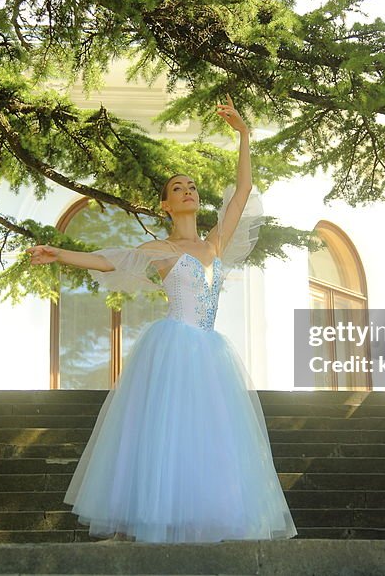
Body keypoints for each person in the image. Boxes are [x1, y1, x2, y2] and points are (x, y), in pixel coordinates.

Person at [26, 95, 297, 543]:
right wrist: (58, 253)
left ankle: (205, 516)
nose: (188, 190)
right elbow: (108, 259)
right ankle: (160, 522)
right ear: (166, 206)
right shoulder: (160, 252)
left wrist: (244, 133)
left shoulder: (214, 244)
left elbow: (243, 192)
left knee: (211, 435)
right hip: (174, 345)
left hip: (211, 351)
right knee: (168, 429)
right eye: (177, 188)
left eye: (191, 186)